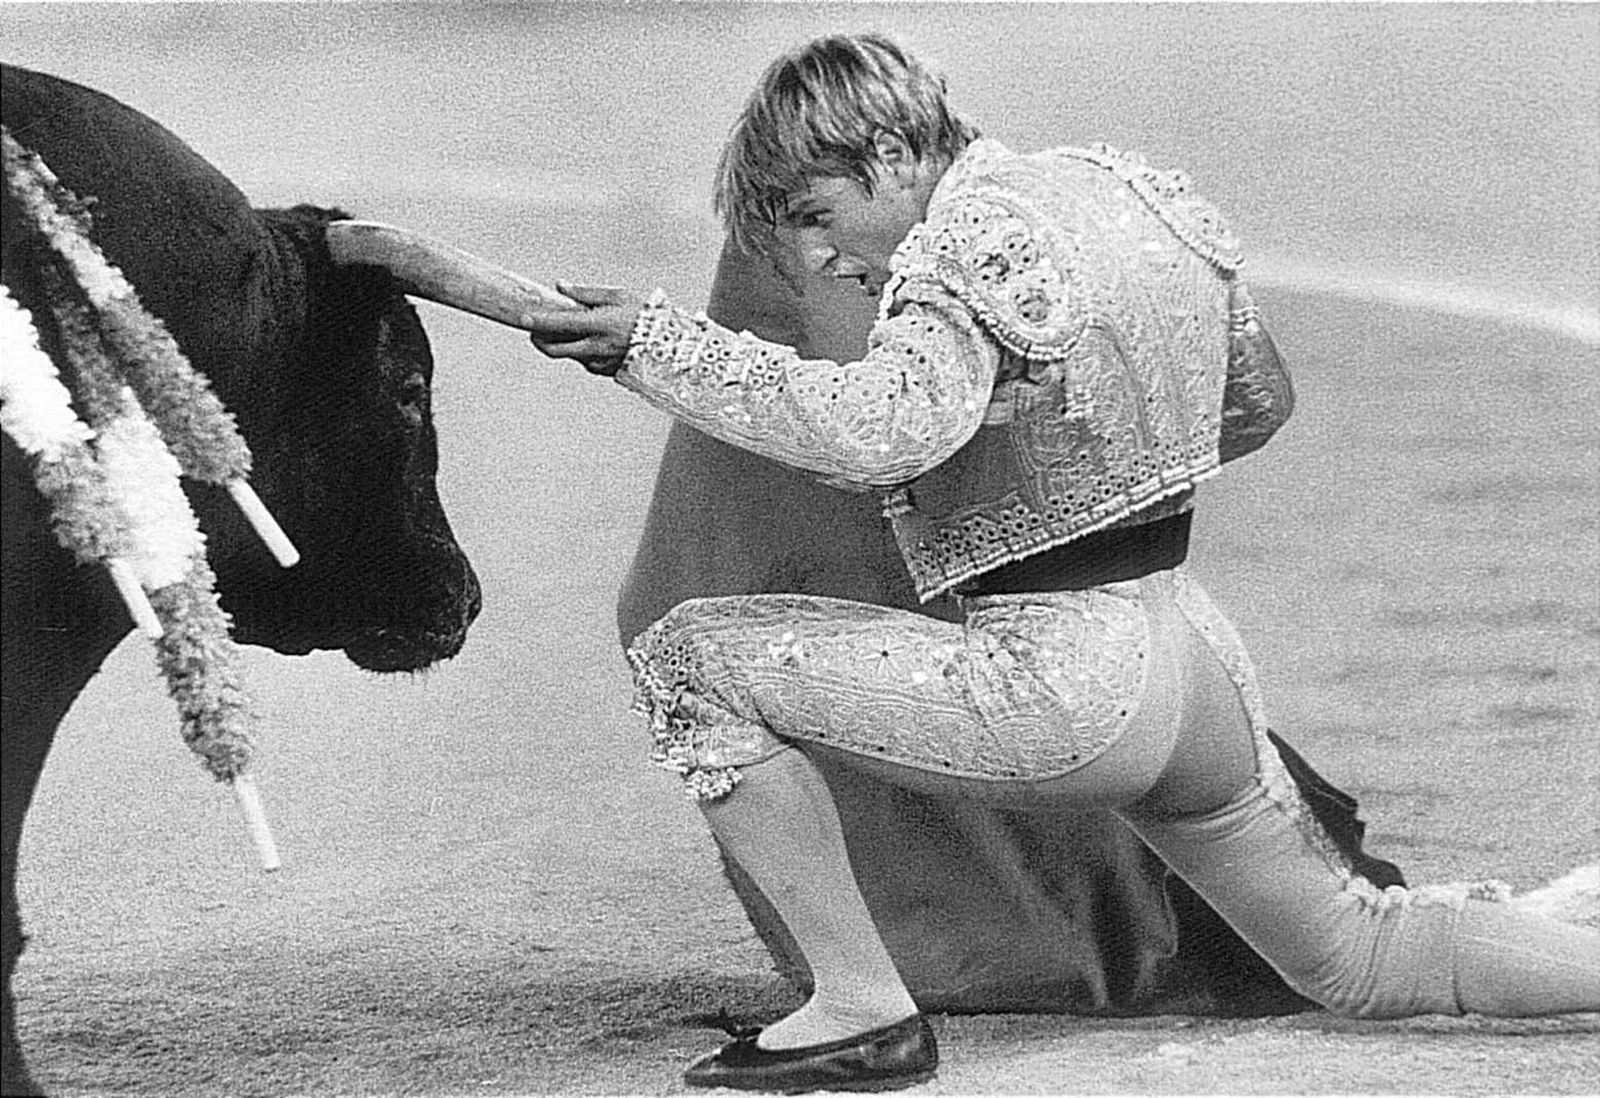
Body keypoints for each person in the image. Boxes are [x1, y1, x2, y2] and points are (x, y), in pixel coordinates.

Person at [523, 33, 1600, 1094]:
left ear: (891, 155)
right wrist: (1088, 474)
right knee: (1361, 957)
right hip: (1193, 662)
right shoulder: (1129, 189)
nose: (814, 257)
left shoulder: (957, 246)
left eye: (816, 213)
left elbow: (882, 434)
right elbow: (1260, 399)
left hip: (1065, 691)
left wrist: (660, 351)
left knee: (686, 658)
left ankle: (859, 1008)